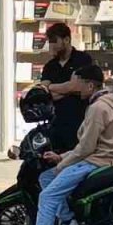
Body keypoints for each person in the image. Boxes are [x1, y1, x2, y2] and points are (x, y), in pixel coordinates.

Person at [10, 65, 113, 225]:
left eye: (78, 83)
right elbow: (88, 145)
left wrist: (63, 163)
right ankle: (68, 221)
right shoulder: (109, 104)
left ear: (90, 85)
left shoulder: (97, 108)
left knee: (47, 198)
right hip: (101, 159)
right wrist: (60, 156)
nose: (75, 88)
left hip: (91, 162)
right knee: (46, 177)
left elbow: (86, 148)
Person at [39, 22, 94, 153]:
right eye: (50, 41)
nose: (52, 45)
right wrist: (68, 88)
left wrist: (53, 87)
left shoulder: (82, 59)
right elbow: (44, 92)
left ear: (66, 40)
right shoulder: (50, 66)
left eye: (54, 41)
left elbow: (79, 87)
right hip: (56, 124)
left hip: (79, 121)